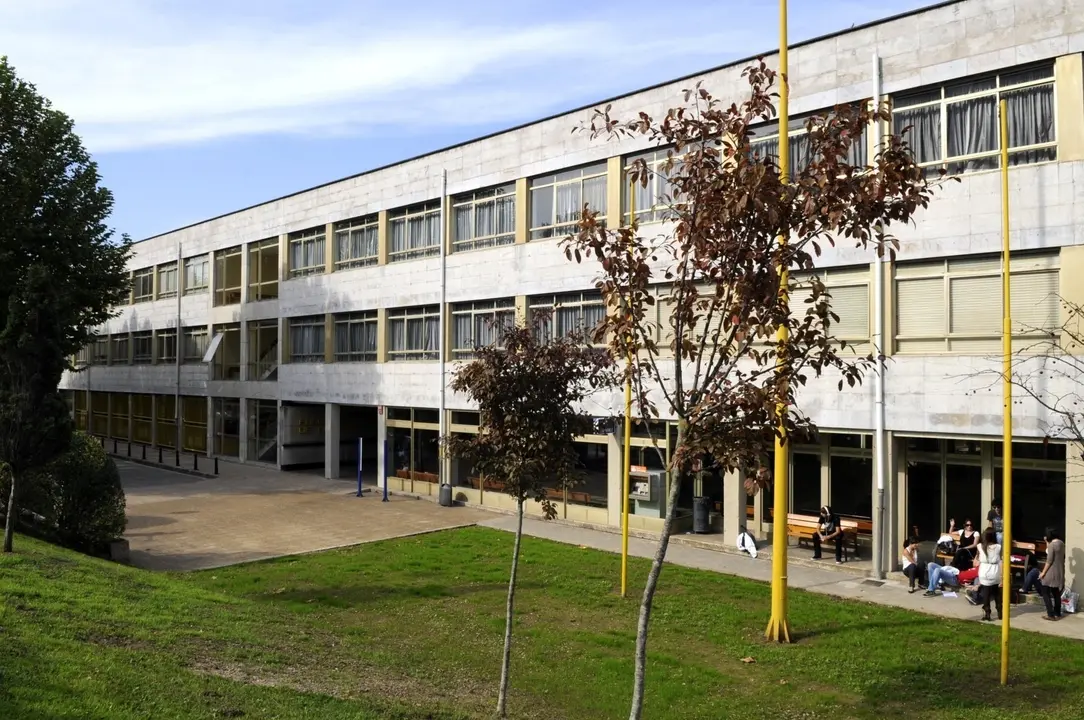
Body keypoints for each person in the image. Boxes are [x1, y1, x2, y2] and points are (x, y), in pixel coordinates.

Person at [975, 528, 1003, 621]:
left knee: (986, 594)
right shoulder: (998, 547)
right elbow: (1001, 561)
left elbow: (976, 561)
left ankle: (987, 613)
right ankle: (1000, 612)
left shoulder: (980, 546)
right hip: (995, 571)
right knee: (997, 593)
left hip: (984, 572)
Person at [1039, 527, 1065, 621]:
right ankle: (1057, 612)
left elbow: (1049, 561)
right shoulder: (1061, 543)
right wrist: (1047, 542)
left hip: (1051, 572)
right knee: (1056, 593)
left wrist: (1043, 573)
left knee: (1045, 592)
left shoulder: (1051, 546)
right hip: (1059, 571)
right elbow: (1051, 552)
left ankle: (1050, 614)